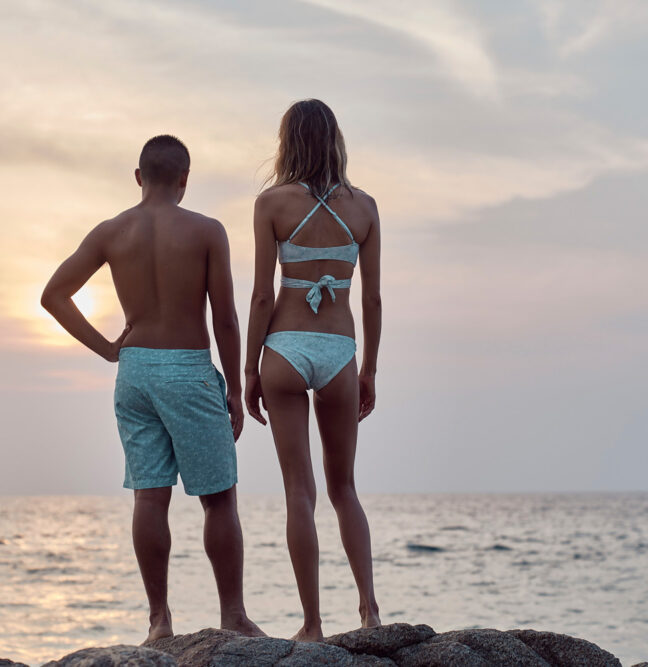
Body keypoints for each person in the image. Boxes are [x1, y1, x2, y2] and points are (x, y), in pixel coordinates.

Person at [41, 135, 264, 642]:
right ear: (185, 180)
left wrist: (106, 349)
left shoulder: (111, 231)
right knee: (219, 500)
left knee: (149, 496)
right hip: (187, 366)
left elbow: (53, 295)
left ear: (138, 177)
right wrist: (232, 388)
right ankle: (233, 616)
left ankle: (159, 620)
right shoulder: (207, 231)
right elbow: (225, 318)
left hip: (135, 370)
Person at [244, 99, 382, 641]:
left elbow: (260, 297)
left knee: (299, 491)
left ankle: (312, 625)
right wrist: (369, 367)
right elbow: (371, 301)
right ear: (335, 141)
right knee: (344, 487)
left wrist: (249, 371)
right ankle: (370, 611)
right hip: (339, 349)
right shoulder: (365, 207)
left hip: (283, 345)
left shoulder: (270, 203)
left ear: (287, 142)